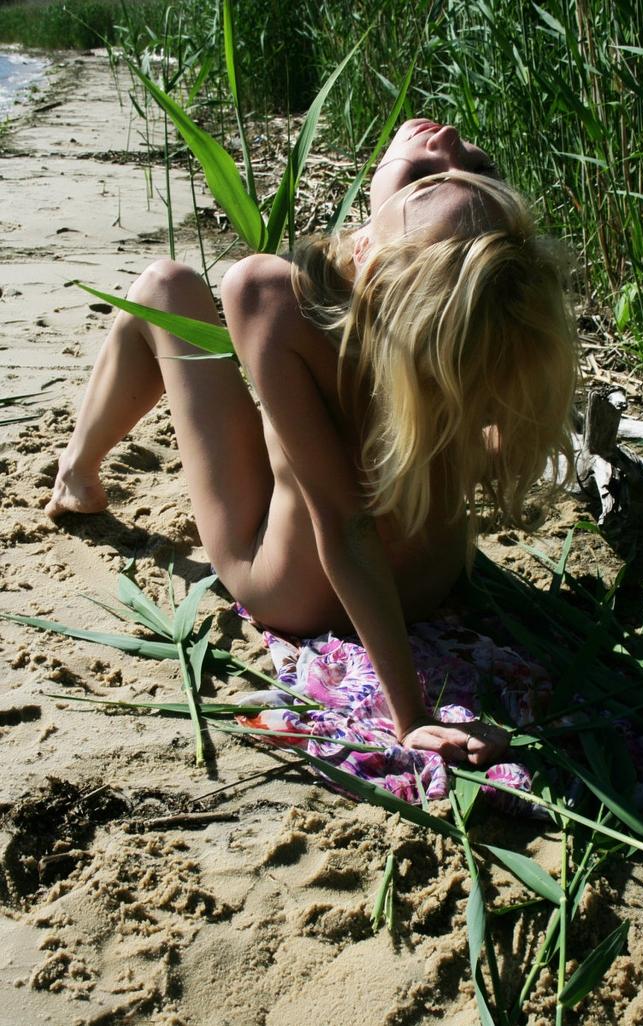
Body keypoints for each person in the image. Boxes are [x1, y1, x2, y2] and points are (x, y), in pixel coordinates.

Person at [46, 118, 577, 766]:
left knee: (165, 288)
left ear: (369, 257)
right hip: (431, 581)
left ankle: (78, 473)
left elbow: (347, 522)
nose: (446, 139)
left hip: (297, 593)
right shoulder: (477, 310)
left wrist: (408, 714)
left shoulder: (269, 292)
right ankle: (81, 470)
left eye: (426, 178)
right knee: (313, 456)